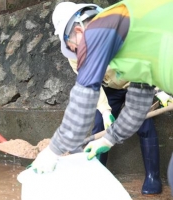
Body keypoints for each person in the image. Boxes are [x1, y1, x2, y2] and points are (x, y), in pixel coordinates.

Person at [31, 0, 173, 196]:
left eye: (73, 48)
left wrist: (53, 150)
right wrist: (109, 138)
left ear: (79, 32)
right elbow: (137, 108)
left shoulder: (100, 29)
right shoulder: (126, 39)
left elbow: (83, 102)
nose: (77, 54)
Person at [69, 57, 163, 195]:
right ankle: (97, 175)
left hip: (136, 82)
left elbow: (146, 59)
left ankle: (153, 177)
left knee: (145, 126)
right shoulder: (72, 54)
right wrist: (105, 111)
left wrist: (159, 88)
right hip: (109, 88)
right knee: (100, 126)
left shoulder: (113, 37)